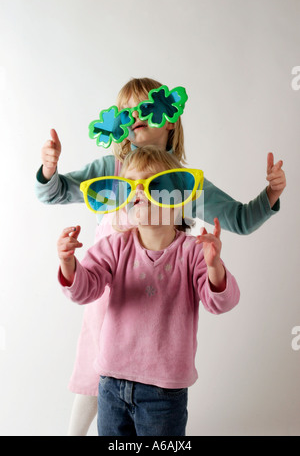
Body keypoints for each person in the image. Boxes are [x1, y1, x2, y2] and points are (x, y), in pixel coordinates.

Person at [35, 77, 286, 435]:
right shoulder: (109, 169)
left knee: (145, 377)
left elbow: (241, 219)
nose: (136, 116)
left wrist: (270, 195)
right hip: (106, 284)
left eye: (147, 108)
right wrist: (49, 170)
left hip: (160, 289)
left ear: (170, 118)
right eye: (127, 111)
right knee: (96, 370)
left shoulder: (182, 181)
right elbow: (55, 192)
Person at [57, 147, 240, 436]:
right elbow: (85, 289)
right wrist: (69, 265)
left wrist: (215, 266)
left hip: (164, 392)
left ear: (177, 196)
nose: (139, 190)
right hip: (110, 384)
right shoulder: (115, 245)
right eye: (130, 185)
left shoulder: (193, 252)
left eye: (154, 184)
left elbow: (221, 302)